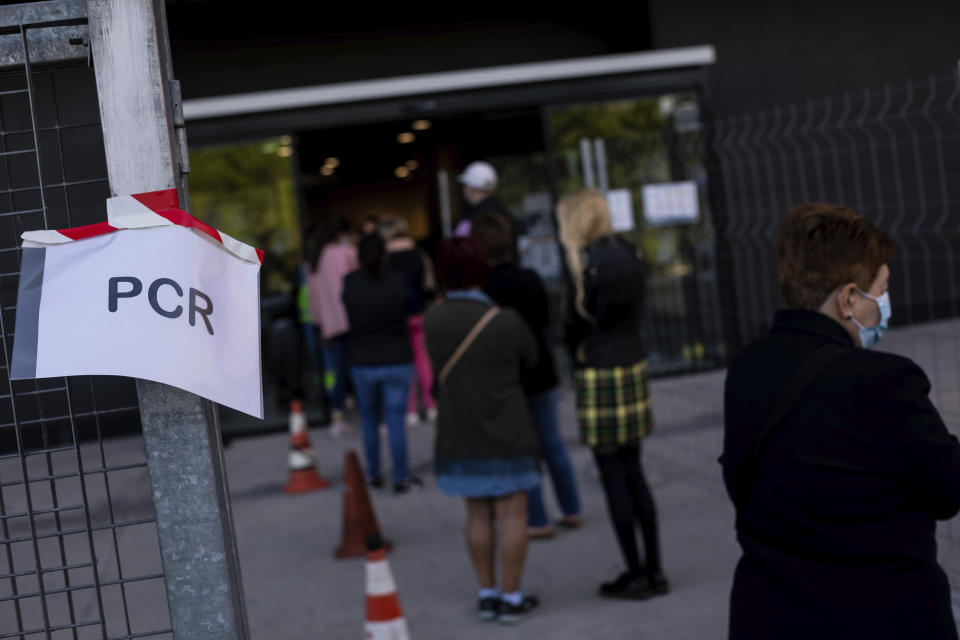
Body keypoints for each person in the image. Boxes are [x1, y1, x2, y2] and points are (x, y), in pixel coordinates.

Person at [721, 203, 960, 639]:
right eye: (882, 289)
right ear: (849, 299)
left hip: (769, 616)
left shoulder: (746, 369)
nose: (885, 305)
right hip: (879, 619)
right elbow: (947, 489)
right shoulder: (886, 383)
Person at [557, 189, 668, 600]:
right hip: (632, 362)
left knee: (612, 476)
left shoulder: (583, 263)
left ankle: (635, 572)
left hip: (599, 371)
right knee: (634, 470)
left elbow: (572, 327)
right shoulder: (630, 252)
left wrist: (578, 350)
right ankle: (654, 570)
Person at [424, 237, 541, 624]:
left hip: (460, 431)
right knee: (511, 516)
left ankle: (487, 593)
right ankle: (511, 597)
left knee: (476, 515)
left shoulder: (432, 321)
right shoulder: (505, 320)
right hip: (508, 428)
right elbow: (533, 361)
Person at [471, 212, 581, 539]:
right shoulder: (531, 278)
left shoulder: (485, 291)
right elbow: (546, 321)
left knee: (524, 452)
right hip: (542, 371)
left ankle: (538, 518)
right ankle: (571, 508)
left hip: (510, 378)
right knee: (553, 444)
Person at [342, 233, 422, 494]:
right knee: (395, 420)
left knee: (369, 420)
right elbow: (412, 307)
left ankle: (374, 474)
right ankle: (401, 477)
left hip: (363, 360)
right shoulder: (398, 280)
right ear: (385, 254)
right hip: (397, 358)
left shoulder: (350, 283)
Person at [380, 215, 438, 426]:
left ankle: (410, 410)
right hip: (419, 311)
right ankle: (432, 406)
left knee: (405, 364)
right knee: (423, 360)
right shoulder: (418, 254)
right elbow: (429, 284)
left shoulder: (385, 259)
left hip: (397, 315)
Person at [306, 219, 357, 437]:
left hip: (329, 322)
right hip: (351, 317)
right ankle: (373, 415)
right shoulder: (345, 252)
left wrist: (319, 321)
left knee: (339, 369)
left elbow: (313, 297)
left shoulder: (314, 260)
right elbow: (357, 282)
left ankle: (336, 416)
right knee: (358, 367)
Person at [455, 160, 518, 243]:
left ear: (471, 188)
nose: (464, 190)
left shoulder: (476, 218)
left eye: (465, 185)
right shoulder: (504, 213)